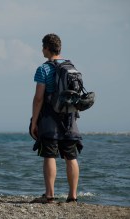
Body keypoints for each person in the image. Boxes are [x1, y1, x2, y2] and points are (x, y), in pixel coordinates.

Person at [30, 33, 83, 204]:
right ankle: (73, 196)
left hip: (49, 118)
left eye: (42, 46)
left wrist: (34, 121)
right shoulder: (71, 67)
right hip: (69, 119)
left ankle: (50, 195)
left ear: (46, 48)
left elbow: (39, 98)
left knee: (49, 155)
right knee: (71, 156)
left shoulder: (43, 69)